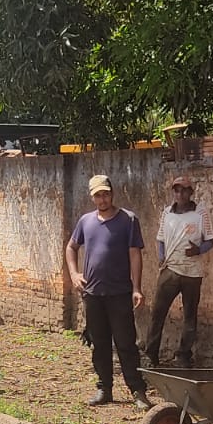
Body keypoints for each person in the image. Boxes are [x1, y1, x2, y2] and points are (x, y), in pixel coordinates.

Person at [66, 174, 151, 409]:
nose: (102, 199)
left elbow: (135, 255)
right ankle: (104, 388)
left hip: (120, 292)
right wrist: (74, 274)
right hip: (93, 293)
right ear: (92, 197)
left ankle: (138, 391)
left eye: (105, 194)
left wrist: (137, 287)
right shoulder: (86, 221)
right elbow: (71, 247)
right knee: (99, 344)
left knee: (126, 344)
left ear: (112, 193)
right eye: (97, 196)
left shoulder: (128, 220)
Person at [143, 175, 213, 368]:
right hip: (170, 269)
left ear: (191, 193)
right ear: (173, 192)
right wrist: (161, 256)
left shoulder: (201, 214)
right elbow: (160, 238)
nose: (180, 194)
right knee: (157, 313)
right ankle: (151, 355)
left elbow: (210, 240)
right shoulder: (166, 213)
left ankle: (183, 355)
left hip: (192, 272)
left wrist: (198, 250)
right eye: (176, 190)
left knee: (190, 316)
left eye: (184, 190)